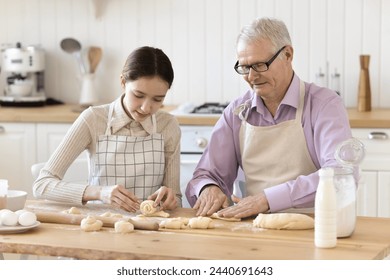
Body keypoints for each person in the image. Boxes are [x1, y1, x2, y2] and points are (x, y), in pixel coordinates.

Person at [185, 17, 352, 219]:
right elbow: (206, 175)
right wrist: (208, 188)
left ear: (288, 55)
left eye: (260, 65)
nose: (252, 77)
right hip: (253, 228)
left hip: (315, 227)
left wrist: (267, 200)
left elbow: (341, 176)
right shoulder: (236, 113)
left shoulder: (324, 105)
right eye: (245, 68)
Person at [33, 46, 181, 212]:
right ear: (123, 82)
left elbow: (176, 200)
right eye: (138, 95)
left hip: (152, 229)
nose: (146, 108)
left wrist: (171, 199)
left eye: (157, 99)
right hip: (101, 226)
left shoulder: (168, 125)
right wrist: (99, 193)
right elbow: (42, 185)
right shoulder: (94, 119)